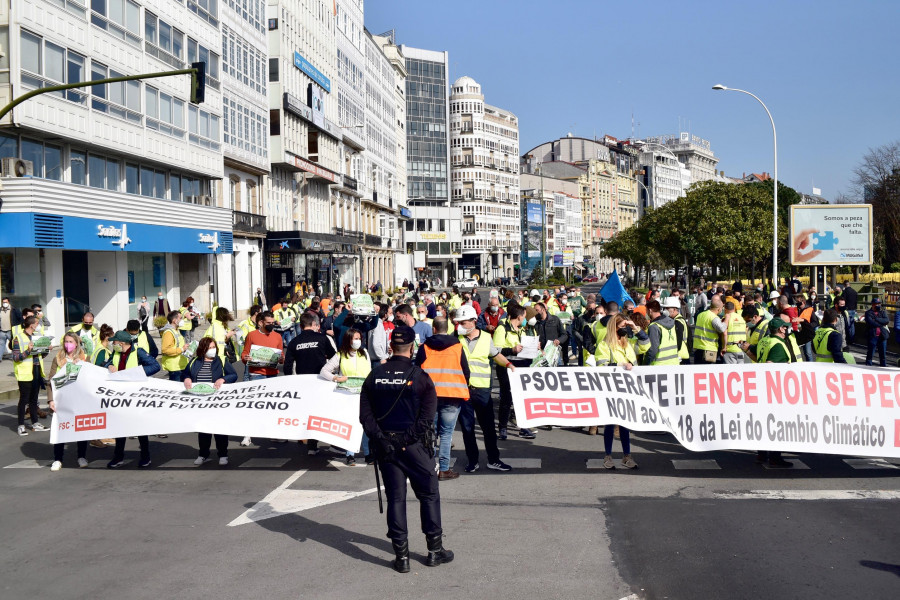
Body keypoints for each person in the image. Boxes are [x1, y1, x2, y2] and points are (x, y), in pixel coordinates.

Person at [359, 325, 452, 573]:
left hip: (386, 447)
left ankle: (402, 558)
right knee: (429, 494)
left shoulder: (374, 376)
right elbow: (426, 419)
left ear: (391, 347)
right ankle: (434, 551)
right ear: (412, 347)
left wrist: (383, 439)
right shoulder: (420, 377)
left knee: (396, 499)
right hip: (413, 447)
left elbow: (365, 417)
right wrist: (403, 441)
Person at [453, 305, 513, 473]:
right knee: (467, 428)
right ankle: (472, 461)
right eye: (458, 322)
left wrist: (509, 365)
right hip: (463, 390)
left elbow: (496, 355)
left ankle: (494, 459)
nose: (460, 325)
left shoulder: (486, 338)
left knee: (488, 428)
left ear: (473, 322)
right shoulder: (456, 338)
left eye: (463, 322)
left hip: (482, 391)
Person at [415, 317, 469, 480]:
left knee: (430, 433)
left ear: (434, 329)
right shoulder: (457, 346)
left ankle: (429, 467)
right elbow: (466, 371)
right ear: (448, 328)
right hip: (452, 395)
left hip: (430, 396)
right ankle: (444, 469)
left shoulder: (425, 347)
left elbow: (417, 371)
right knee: (446, 434)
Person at [103, 330, 162, 468]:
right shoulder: (117, 353)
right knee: (119, 427)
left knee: (139, 427)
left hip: (135, 395)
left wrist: (136, 374)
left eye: (115, 341)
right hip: (121, 395)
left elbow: (155, 366)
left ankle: (145, 457)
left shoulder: (138, 352)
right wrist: (109, 365)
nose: (113, 343)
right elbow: (105, 363)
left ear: (121, 343)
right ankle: (118, 457)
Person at [284, 312, 337, 455]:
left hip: (302, 383)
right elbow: (334, 358)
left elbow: (287, 366)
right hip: (321, 380)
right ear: (314, 324)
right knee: (323, 413)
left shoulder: (294, 342)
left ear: (300, 326)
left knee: (308, 413)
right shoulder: (322, 338)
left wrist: (290, 382)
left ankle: (311, 446)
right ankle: (322, 442)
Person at [595, 315, 642, 469]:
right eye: (622, 325)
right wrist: (621, 365)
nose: (625, 328)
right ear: (614, 327)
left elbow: (646, 345)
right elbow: (601, 366)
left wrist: (636, 328)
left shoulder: (628, 344)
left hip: (627, 389)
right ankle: (608, 456)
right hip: (611, 388)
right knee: (610, 423)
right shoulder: (604, 345)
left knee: (625, 423)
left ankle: (626, 456)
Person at [320, 328, 372, 465]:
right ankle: (350, 454)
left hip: (364, 394)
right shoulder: (340, 355)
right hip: (348, 394)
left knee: (366, 424)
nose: (357, 341)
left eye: (359, 338)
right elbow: (324, 371)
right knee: (351, 424)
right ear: (348, 339)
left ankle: (368, 453)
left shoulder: (365, 353)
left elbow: (370, 372)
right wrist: (336, 378)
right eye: (355, 338)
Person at [183, 337, 237, 466]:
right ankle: (203, 454)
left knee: (219, 429)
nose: (212, 350)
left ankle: (223, 454)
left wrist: (223, 379)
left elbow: (233, 375)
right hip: (201, 402)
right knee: (203, 429)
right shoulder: (194, 361)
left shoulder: (222, 360)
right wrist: (186, 379)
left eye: (214, 347)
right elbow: (185, 374)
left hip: (217, 402)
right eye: (209, 348)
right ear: (203, 349)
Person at [752, 318, 796, 468]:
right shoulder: (777, 345)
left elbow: (754, 353)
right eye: (786, 327)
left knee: (764, 422)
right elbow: (770, 366)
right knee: (777, 424)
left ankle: (762, 454)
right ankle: (775, 457)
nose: (788, 329)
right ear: (781, 329)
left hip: (763, 388)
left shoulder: (765, 340)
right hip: (775, 390)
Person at [493, 303, 537, 440]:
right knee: (506, 398)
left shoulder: (522, 330)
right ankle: (503, 428)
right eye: (524, 316)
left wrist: (535, 347)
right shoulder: (502, 329)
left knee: (521, 398)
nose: (526, 318)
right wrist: (511, 350)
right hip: (506, 367)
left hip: (522, 366)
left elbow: (525, 348)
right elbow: (495, 351)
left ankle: (523, 427)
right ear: (519, 317)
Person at [48, 333, 90, 470]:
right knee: (61, 428)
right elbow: (51, 381)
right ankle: (58, 459)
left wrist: (82, 365)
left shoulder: (84, 357)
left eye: (71, 341)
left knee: (80, 428)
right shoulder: (58, 358)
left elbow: (90, 378)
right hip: (62, 399)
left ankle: (81, 456)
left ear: (76, 343)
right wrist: (50, 400)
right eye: (66, 341)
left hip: (79, 399)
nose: (68, 344)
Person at [13, 316, 49, 436]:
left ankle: (35, 423)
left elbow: (39, 355)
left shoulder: (36, 337)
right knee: (24, 400)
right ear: (31, 325)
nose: (38, 325)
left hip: (36, 370)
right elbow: (16, 357)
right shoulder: (18, 338)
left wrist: (46, 349)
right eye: (37, 323)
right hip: (25, 373)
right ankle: (21, 425)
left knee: (34, 399)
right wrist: (28, 350)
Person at [241, 311, 284, 381]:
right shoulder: (251, 335)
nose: (271, 325)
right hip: (256, 374)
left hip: (273, 374)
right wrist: (245, 358)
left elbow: (281, 354)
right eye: (268, 323)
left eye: (272, 323)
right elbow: (245, 352)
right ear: (261, 322)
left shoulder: (278, 336)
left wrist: (282, 359)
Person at [644, 300, 680, 366]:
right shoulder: (671, 322)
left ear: (650, 310)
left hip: (659, 365)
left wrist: (645, 364)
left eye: (646, 311)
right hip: (674, 363)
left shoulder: (654, 326)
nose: (646, 313)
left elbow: (653, 350)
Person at [692, 296, 726, 364]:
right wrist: (726, 320)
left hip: (698, 347)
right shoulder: (714, 318)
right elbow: (722, 329)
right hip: (709, 349)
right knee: (707, 371)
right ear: (719, 309)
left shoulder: (700, 315)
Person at [533, 301, 568, 366]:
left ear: (543, 310)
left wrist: (559, 340)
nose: (535, 312)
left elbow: (564, 334)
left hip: (554, 354)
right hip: (540, 354)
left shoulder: (555, 319)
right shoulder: (534, 322)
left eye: (536, 310)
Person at [159, 311, 190, 382]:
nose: (182, 320)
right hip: (175, 367)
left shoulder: (176, 330)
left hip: (181, 364)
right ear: (174, 320)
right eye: (180, 318)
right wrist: (182, 349)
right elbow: (165, 350)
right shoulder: (168, 333)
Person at [864, 298, 889, 367]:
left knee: (883, 354)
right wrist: (882, 323)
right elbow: (871, 323)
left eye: (878, 304)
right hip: (873, 335)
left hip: (882, 336)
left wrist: (876, 319)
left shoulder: (883, 312)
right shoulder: (868, 313)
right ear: (872, 305)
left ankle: (883, 367)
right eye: (875, 304)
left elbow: (886, 320)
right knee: (870, 353)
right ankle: (868, 367)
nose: (877, 305)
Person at [0, 297, 23, 362]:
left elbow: (20, 318)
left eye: (6, 302)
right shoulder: (0, 310)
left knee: (13, 344)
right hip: (2, 331)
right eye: (3, 302)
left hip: (11, 330)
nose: (4, 303)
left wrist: (20, 327)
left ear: (8, 302)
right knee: (1, 344)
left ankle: (15, 356)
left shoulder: (14, 310)